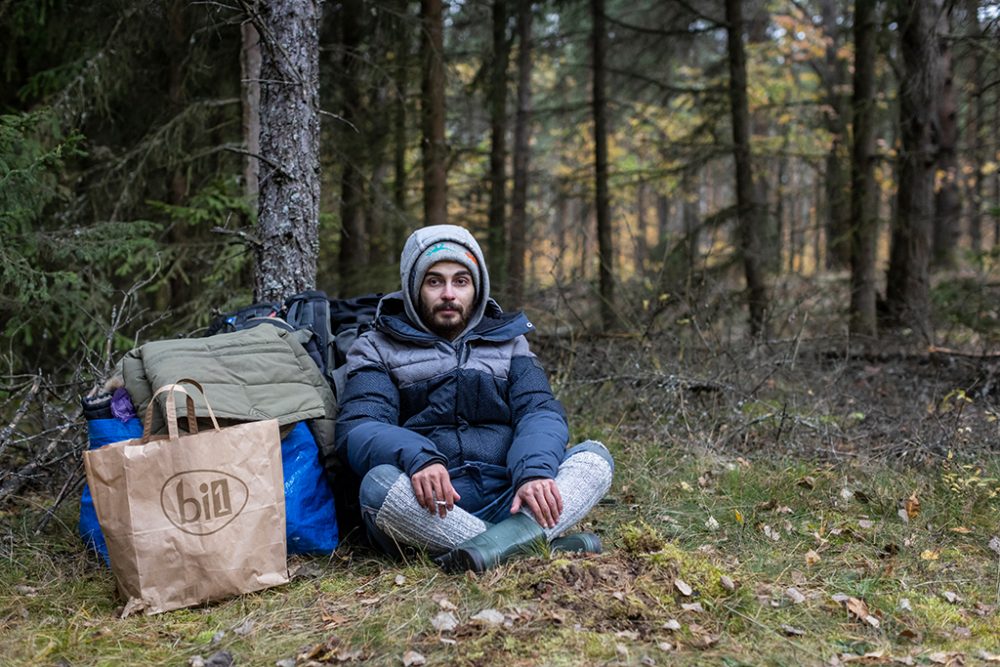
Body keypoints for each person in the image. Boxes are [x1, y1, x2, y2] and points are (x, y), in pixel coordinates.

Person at [334, 224, 613, 572]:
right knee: (377, 487)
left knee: (594, 458)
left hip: (509, 497)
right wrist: (419, 458)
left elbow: (539, 411)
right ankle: (526, 545)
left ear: (477, 288)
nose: (449, 293)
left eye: (461, 281)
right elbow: (359, 427)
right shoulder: (376, 346)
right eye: (434, 281)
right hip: (433, 507)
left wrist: (533, 473)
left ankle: (483, 550)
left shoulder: (509, 343)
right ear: (413, 287)